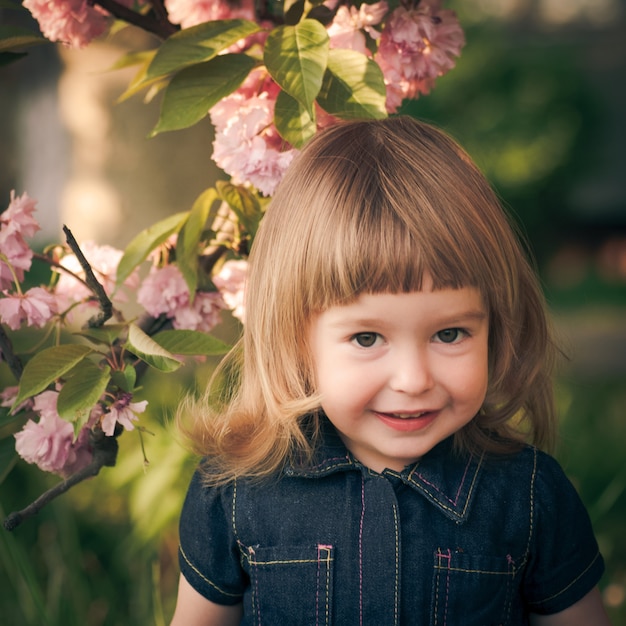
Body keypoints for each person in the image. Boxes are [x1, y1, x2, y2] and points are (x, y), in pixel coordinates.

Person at [170, 117, 611, 625]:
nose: (413, 378)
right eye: (366, 338)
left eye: (450, 334)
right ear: (296, 339)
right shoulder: (236, 491)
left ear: (495, 325)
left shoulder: (528, 496)